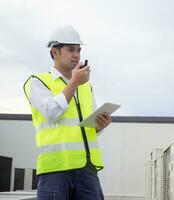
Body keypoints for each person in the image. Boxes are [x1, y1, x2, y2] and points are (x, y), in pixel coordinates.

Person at [23, 25, 111, 200]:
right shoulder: (37, 82)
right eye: (71, 49)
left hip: (87, 169)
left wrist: (100, 126)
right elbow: (51, 112)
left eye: (78, 50)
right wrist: (74, 84)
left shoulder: (85, 87)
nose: (77, 55)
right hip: (55, 171)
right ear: (55, 52)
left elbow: (87, 127)